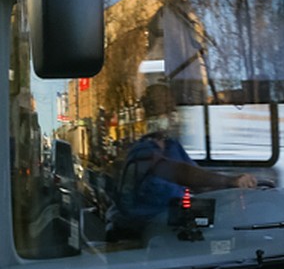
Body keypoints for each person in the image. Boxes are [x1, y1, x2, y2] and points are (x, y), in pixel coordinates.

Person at [109, 83, 263, 235]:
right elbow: (181, 173)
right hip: (143, 233)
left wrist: (236, 188)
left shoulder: (173, 146)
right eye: (164, 107)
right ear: (149, 112)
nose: (171, 112)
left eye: (172, 106)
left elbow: (199, 182)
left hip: (172, 229)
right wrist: (229, 181)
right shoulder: (142, 151)